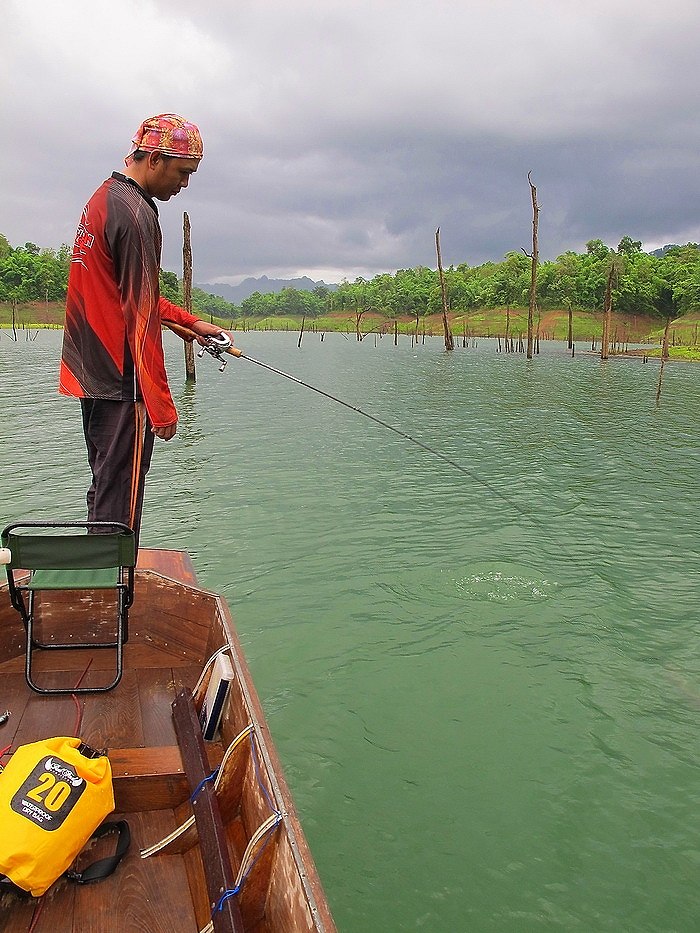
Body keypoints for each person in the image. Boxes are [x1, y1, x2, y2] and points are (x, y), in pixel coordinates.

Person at [59, 113, 231, 546]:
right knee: (122, 503)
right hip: (121, 380)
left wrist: (186, 321)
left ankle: (99, 581)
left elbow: (132, 295)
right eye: (183, 172)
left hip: (91, 373)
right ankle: (112, 596)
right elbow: (138, 321)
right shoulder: (137, 216)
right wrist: (163, 407)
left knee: (107, 487)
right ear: (155, 158)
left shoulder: (103, 199)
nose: (185, 184)